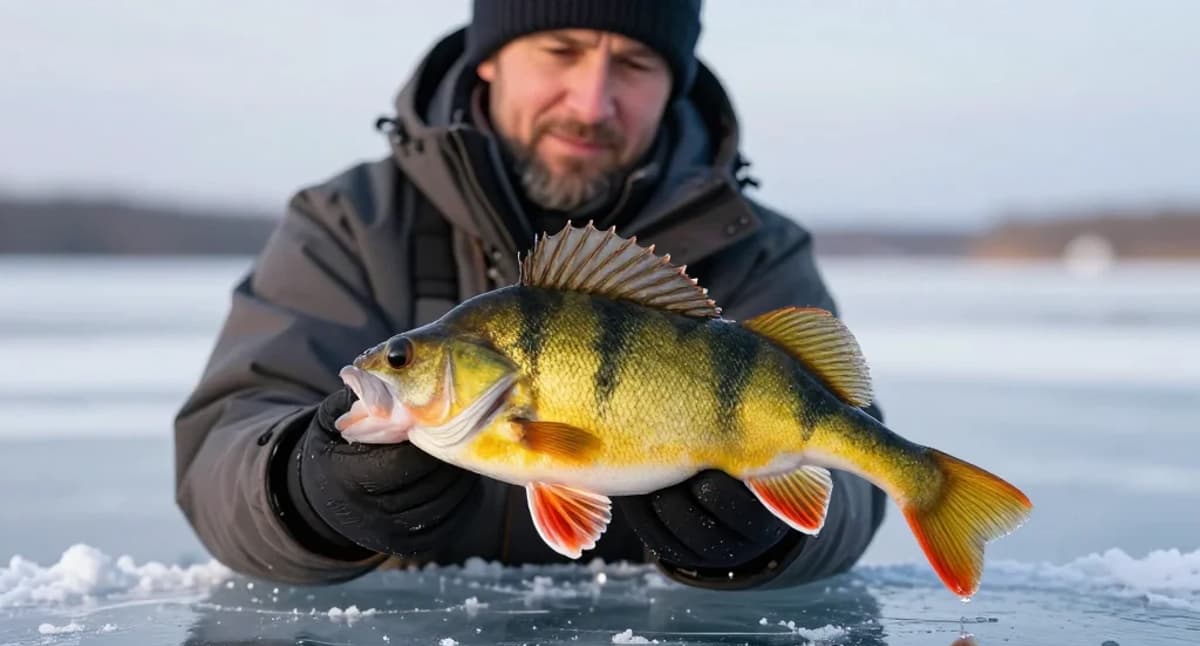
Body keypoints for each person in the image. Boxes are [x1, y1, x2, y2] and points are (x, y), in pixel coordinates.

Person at [174, 0, 887, 589]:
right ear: (488, 53)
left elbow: (853, 459)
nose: (591, 100)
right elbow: (224, 440)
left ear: (676, 81)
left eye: (635, 63)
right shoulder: (350, 223)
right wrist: (305, 486)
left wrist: (768, 543)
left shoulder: (755, 246)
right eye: (560, 49)